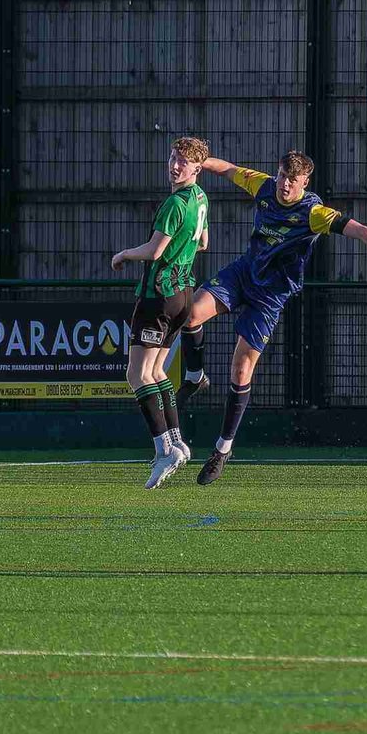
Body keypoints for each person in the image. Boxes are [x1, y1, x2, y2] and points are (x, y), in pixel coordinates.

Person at [178, 150, 367, 485]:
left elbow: (357, 229)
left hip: (271, 294)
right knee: (189, 315)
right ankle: (195, 376)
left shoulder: (314, 212)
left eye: (292, 180)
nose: (285, 185)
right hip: (243, 274)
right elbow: (228, 169)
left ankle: (222, 449)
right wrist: (200, 163)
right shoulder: (263, 185)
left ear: (305, 182)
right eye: (282, 176)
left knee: (241, 369)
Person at [111, 136, 210, 489]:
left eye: (183, 162)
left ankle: (163, 450)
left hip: (159, 296)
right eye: (173, 158)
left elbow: (154, 251)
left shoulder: (174, 204)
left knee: (136, 375)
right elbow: (203, 242)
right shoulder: (200, 199)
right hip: (184, 295)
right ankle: (176, 442)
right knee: (155, 371)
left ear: (197, 168)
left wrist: (124, 254)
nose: (175, 166)